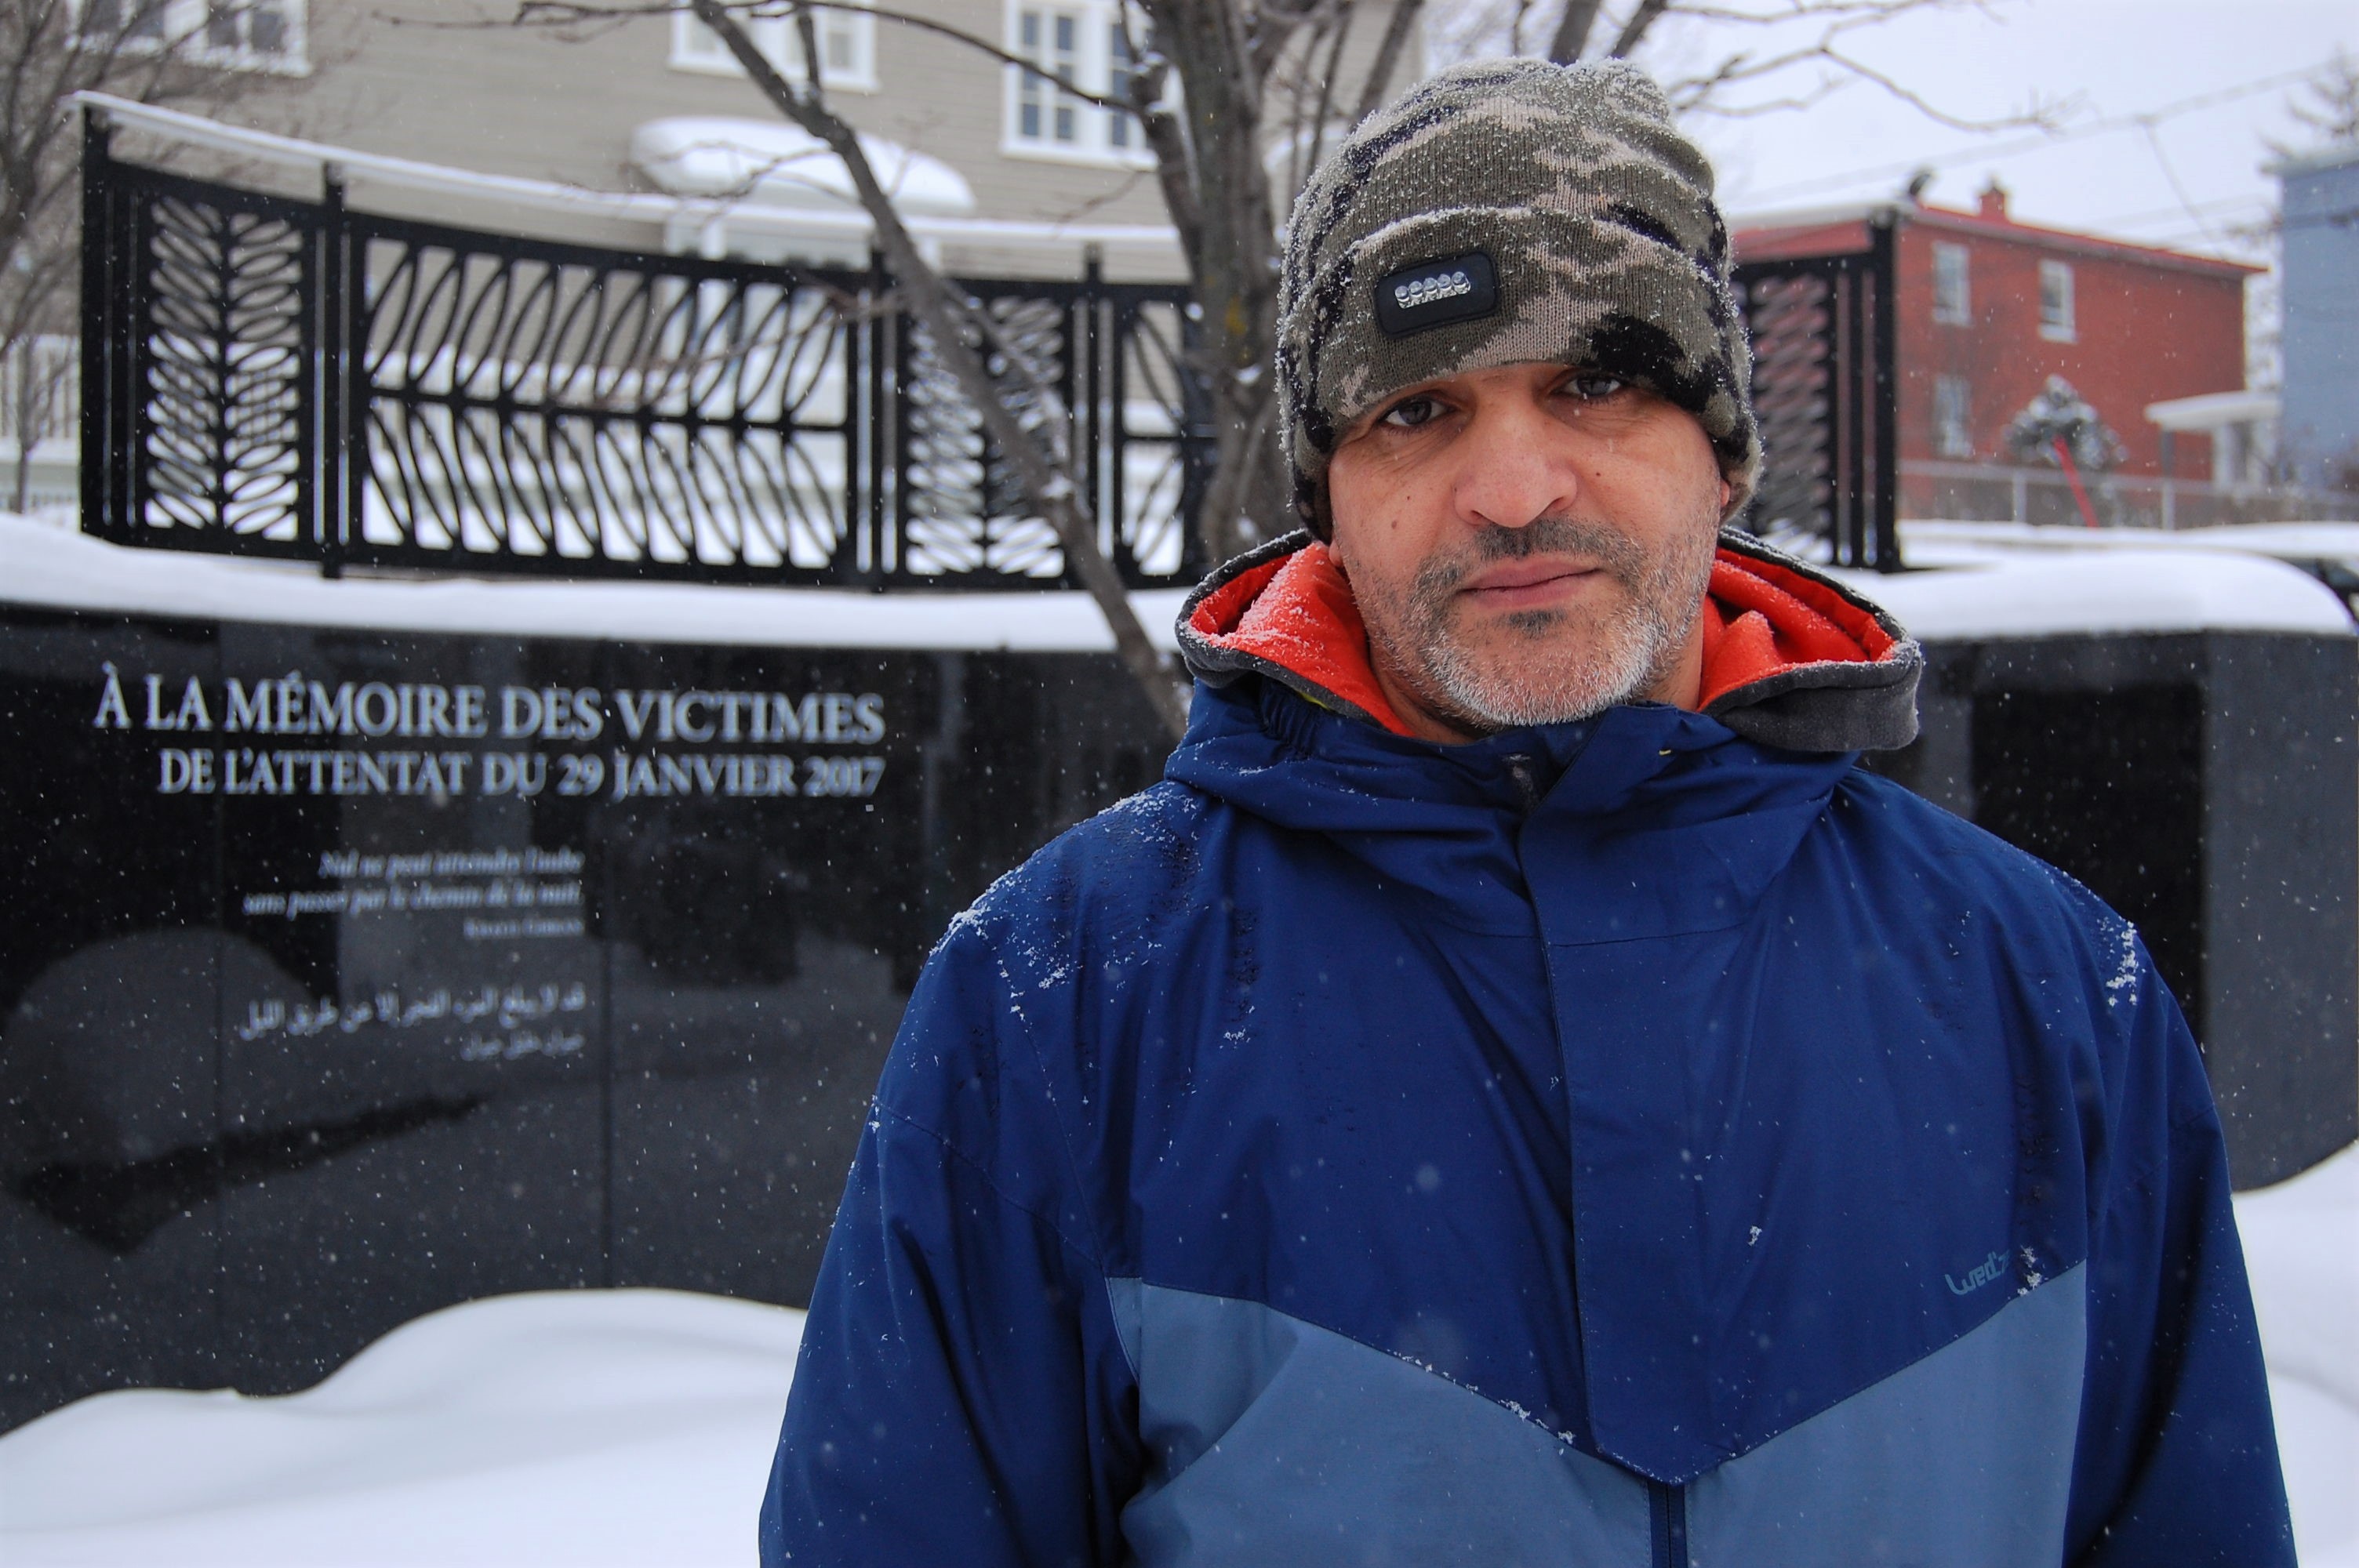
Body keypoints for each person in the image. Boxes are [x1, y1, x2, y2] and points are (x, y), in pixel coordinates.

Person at [761, 58, 2292, 1567]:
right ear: (1328, 498)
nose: (1508, 483)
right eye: (1416, 409)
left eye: (1598, 380)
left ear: (1722, 449)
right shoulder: (1060, 1004)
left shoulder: (2051, 994)